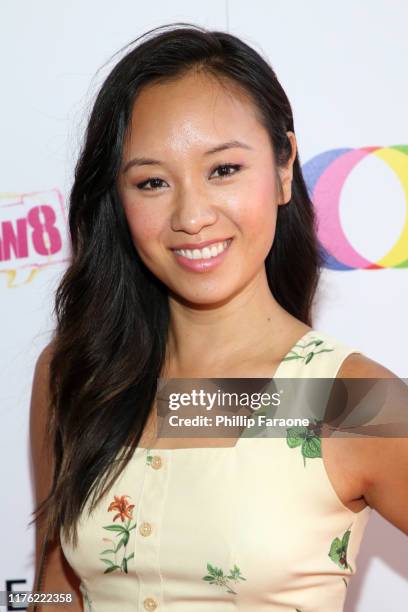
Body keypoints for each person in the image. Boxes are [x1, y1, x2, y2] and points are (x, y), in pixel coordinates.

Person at [29, 23, 408, 612]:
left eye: (223, 170)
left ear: (284, 169)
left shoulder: (346, 398)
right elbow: (54, 585)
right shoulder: (75, 375)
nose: (192, 215)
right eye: (152, 182)